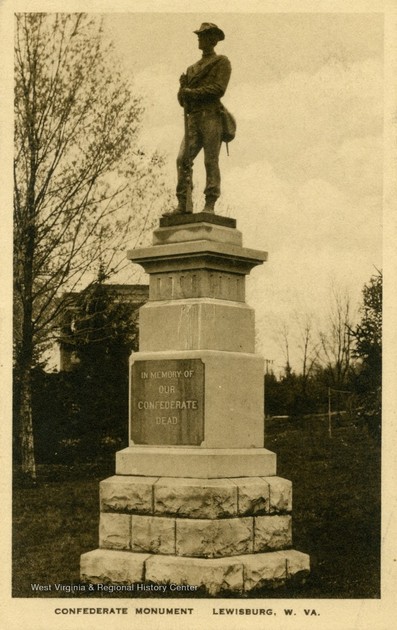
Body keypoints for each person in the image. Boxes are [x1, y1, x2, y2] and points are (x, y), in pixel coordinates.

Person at [171, 23, 231, 215]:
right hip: (193, 119)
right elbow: (182, 101)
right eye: (199, 35)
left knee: (210, 160)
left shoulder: (221, 62)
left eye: (204, 36)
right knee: (182, 159)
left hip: (211, 116)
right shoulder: (191, 69)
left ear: (213, 40)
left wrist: (191, 92)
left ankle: (210, 204)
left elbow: (218, 89)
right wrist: (182, 90)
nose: (199, 38)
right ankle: (183, 203)